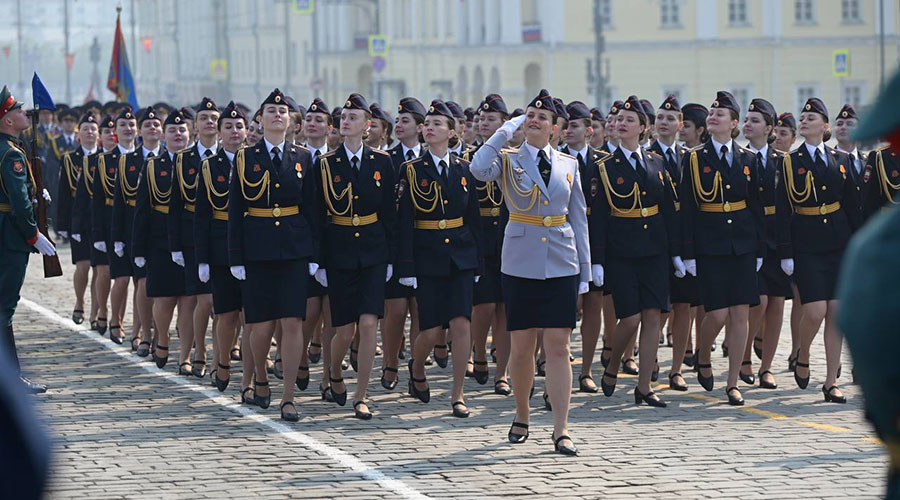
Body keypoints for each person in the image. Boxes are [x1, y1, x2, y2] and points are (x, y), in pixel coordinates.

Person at [471, 89, 590, 455]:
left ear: (555, 128)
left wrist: (585, 270)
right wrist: (503, 132)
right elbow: (477, 169)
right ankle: (522, 413)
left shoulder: (569, 164)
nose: (534, 119)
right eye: (530, 114)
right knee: (522, 347)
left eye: (542, 117)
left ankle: (561, 428)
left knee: (558, 346)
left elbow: (578, 217)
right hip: (521, 261)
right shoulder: (507, 159)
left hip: (561, 260)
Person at [228, 89, 319, 422]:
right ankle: (261, 378)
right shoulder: (245, 157)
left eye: (283, 111)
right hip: (258, 249)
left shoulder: (304, 158)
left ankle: (289, 396)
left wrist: (313, 254)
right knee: (261, 325)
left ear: (291, 120)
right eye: (270, 111)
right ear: (260, 119)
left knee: (293, 321)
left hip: (294, 249)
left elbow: (312, 209)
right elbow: (236, 210)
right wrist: (235, 256)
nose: (277, 115)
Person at [398, 99, 483, 419]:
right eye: (428, 124)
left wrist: (477, 262)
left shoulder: (464, 169)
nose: (430, 128)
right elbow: (404, 221)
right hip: (428, 255)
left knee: (462, 323)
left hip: (460, 255)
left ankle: (457, 394)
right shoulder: (412, 170)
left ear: (452, 132)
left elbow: (473, 218)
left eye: (438, 124)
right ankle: (416, 367)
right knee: (432, 330)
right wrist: (406, 266)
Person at [314, 93, 396, 419]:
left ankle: (361, 395)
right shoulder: (325, 164)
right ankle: (333, 370)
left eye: (353, 117)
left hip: (374, 251)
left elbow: (390, 213)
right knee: (344, 330)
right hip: (340, 251)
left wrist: (392, 259)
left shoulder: (382, 163)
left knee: (368, 324)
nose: (346, 122)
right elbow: (317, 216)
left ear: (367, 125)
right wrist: (318, 261)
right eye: (343, 117)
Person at [680, 90, 764, 406]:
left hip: (742, 243)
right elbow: (687, 208)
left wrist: (759, 249)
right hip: (710, 244)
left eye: (720, 114)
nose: (713, 117)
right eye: (712, 113)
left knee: (740, 312)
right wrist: (687, 252)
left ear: (734, 123)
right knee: (716, 313)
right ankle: (703, 353)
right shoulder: (694, 158)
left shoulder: (748, 159)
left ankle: (732, 383)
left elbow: (755, 205)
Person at [595, 95, 679, 407]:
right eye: (618, 120)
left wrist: (678, 253)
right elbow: (600, 217)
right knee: (629, 319)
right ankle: (613, 364)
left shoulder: (657, 162)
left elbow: (670, 210)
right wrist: (598, 260)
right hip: (622, 250)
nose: (621, 124)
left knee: (653, 317)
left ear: (643, 128)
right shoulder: (604, 166)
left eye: (630, 120)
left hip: (655, 248)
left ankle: (644, 386)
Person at [776, 98, 860, 403]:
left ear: (824, 127)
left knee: (836, 312)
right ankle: (803, 352)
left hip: (837, 242)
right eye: (802, 117)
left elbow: (852, 206)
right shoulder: (789, 161)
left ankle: (830, 380)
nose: (804, 120)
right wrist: (785, 252)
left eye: (811, 117)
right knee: (814, 311)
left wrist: (856, 246)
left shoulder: (841, 159)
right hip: (806, 244)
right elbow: (783, 209)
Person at [0, 85, 54, 394]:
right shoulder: (11, 154)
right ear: (7, 120)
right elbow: (18, 201)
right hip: (10, 237)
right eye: (18, 110)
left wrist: (36, 192)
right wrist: (34, 235)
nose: (24, 113)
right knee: (4, 308)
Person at [132, 109, 194, 373]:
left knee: (189, 301)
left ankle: (186, 356)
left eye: (182, 130)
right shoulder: (154, 165)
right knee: (165, 299)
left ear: (189, 133)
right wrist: (138, 247)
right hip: (160, 240)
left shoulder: (198, 163)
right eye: (172, 130)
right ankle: (163, 337)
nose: (178, 134)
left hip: (191, 238)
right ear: (164, 136)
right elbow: (142, 209)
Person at [195, 101, 248, 395]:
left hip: (251, 246)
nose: (234, 131)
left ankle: (252, 374)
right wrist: (202, 258)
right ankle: (222, 360)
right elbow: (201, 215)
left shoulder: (255, 160)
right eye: (228, 126)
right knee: (226, 313)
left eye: (239, 126)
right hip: (219, 247)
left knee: (250, 314)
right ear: (219, 131)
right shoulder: (210, 166)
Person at [737, 98, 790, 390]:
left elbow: (788, 206)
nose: (748, 124)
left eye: (755, 121)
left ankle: (767, 367)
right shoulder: (739, 157)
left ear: (769, 128)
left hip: (776, 236)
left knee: (777, 303)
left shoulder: (783, 161)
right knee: (757, 302)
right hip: (748, 236)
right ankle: (744, 357)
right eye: (747, 119)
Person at [464, 94, 512, 395]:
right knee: (482, 307)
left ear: (504, 125)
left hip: (508, 239)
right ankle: (479, 352)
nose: (484, 124)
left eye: (491, 120)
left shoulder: (515, 157)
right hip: (478, 239)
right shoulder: (467, 159)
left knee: (506, 310)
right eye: (482, 119)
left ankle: (502, 373)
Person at [170, 97, 219, 378]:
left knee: (221, 303)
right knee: (199, 301)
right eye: (204, 119)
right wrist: (176, 244)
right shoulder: (183, 159)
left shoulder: (234, 155)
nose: (209, 123)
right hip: (192, 237)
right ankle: (193, 352)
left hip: (223, 234)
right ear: (195, 126)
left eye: (214, 119)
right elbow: (175, 206)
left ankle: (219, 355)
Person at [382, 97, 427, 391]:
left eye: (405, 121)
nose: (399, 125)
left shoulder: (430, 156)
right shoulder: (386, 159)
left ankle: (417, 367)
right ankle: (390, 363)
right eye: (397, 121)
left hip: (426, 244)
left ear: (420, 128)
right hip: (396, 244)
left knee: (422, 312)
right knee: (395, 311)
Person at [560, 99, 603, 394]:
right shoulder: (555, 159)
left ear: (588, 129)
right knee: (562, 312)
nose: (568, 131)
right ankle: (553, 365)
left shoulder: (603, 162)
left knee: (593, 308)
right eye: (565, 126)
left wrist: (600, 256)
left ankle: (586, 369)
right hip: (562, 242)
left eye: (574, 126)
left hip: (596, 243)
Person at [111, 108, 157, 360]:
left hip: (161, 231)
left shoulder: (172, 158)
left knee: (153, 285)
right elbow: (119, 202)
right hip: (134, 230)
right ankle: (139, 331)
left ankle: (150, 331)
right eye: (146, 124)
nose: (151, 128)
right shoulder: (128, 161)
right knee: (141, 282)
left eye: (155, 124)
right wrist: (116, 236)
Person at [668, 102, 707, 374]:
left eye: (687, 124)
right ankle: (673, 363)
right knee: (675, 304)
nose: (681, 128)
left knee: (701, 301)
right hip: (671, 234)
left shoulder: (698, 157)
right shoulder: (654, 155)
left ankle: (697, 353)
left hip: (699, 234)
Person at [301, 98, 335, 399]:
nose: (313, 123)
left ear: (329, 127)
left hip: (335, 245)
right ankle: (298, 359)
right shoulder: (295, 158)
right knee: (307, 312)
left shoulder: (335, 160)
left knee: (332, 315)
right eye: (309, 119)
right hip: (301, 246)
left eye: (319, 120)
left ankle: (327, 375)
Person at [57, 114, 101, 334]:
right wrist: (62, 224)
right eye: (86, 129)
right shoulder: (70, 159)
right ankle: (80, 301)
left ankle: (95, 311)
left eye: (94, 129)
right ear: (79, 133)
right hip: (79, 219)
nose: (90, 132)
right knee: (83, 266)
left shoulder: (105, 157)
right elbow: (64, 193)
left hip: (100, 220)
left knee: (99, 269)